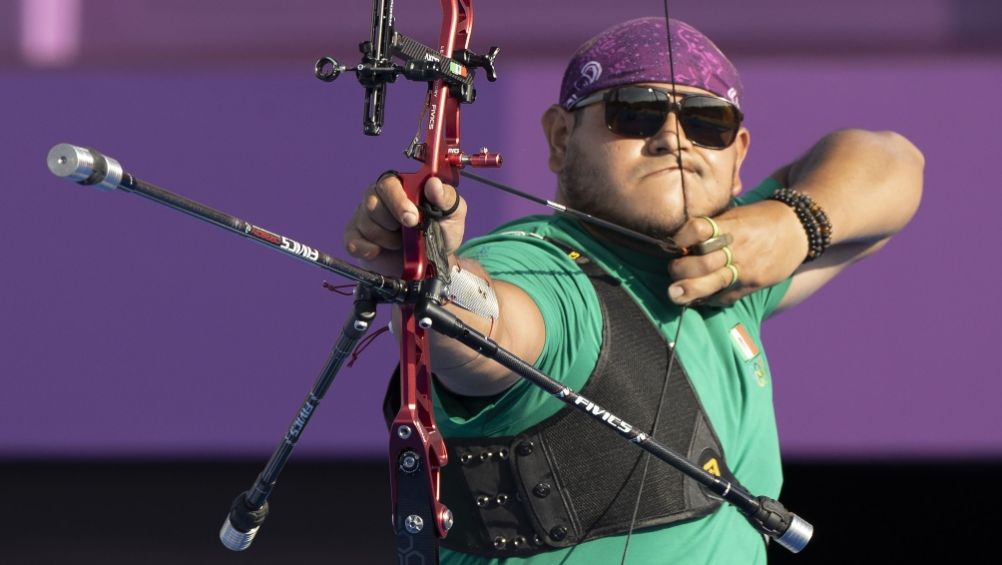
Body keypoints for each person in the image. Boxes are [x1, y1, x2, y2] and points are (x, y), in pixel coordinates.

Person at [344, 16, 923, 565]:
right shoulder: (542, 267)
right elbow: (484, 331)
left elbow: (896, 160)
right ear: (561, 137)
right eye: (636, 113)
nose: (674, 139)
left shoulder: (730, 264)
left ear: (738, 154)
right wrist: (433, 268)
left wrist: (795, 224)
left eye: (708, 123)